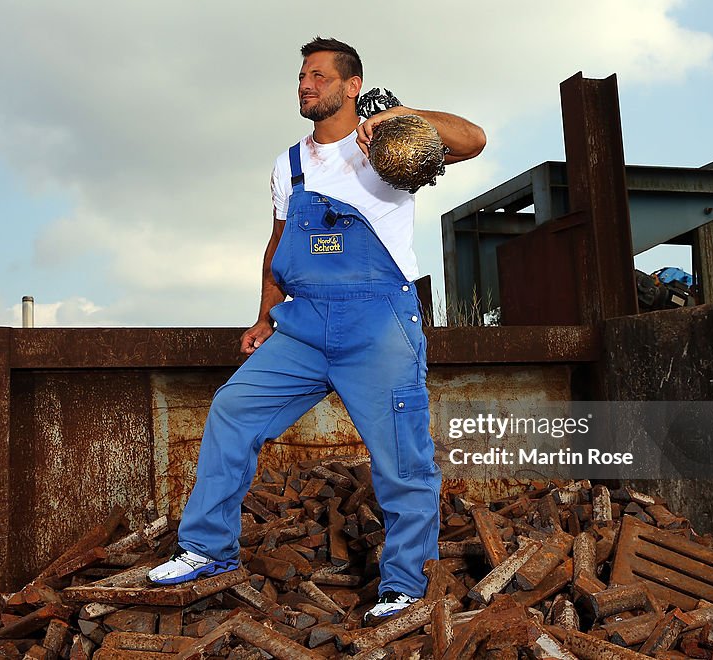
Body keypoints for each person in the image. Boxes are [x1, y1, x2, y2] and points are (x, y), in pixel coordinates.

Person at [148, 37, 485, 623]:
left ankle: (406, 585)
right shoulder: (290, 164)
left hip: (378, 322)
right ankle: (208, 549)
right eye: (302, 77)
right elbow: (279, 244)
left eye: (319, 76)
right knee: (233, 409)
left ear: (351, 85)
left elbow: (473, 140)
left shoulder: (393, 147)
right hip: (302, 325)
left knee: (403, 458)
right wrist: (263, 315)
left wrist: (398, 116)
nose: (305, 85)